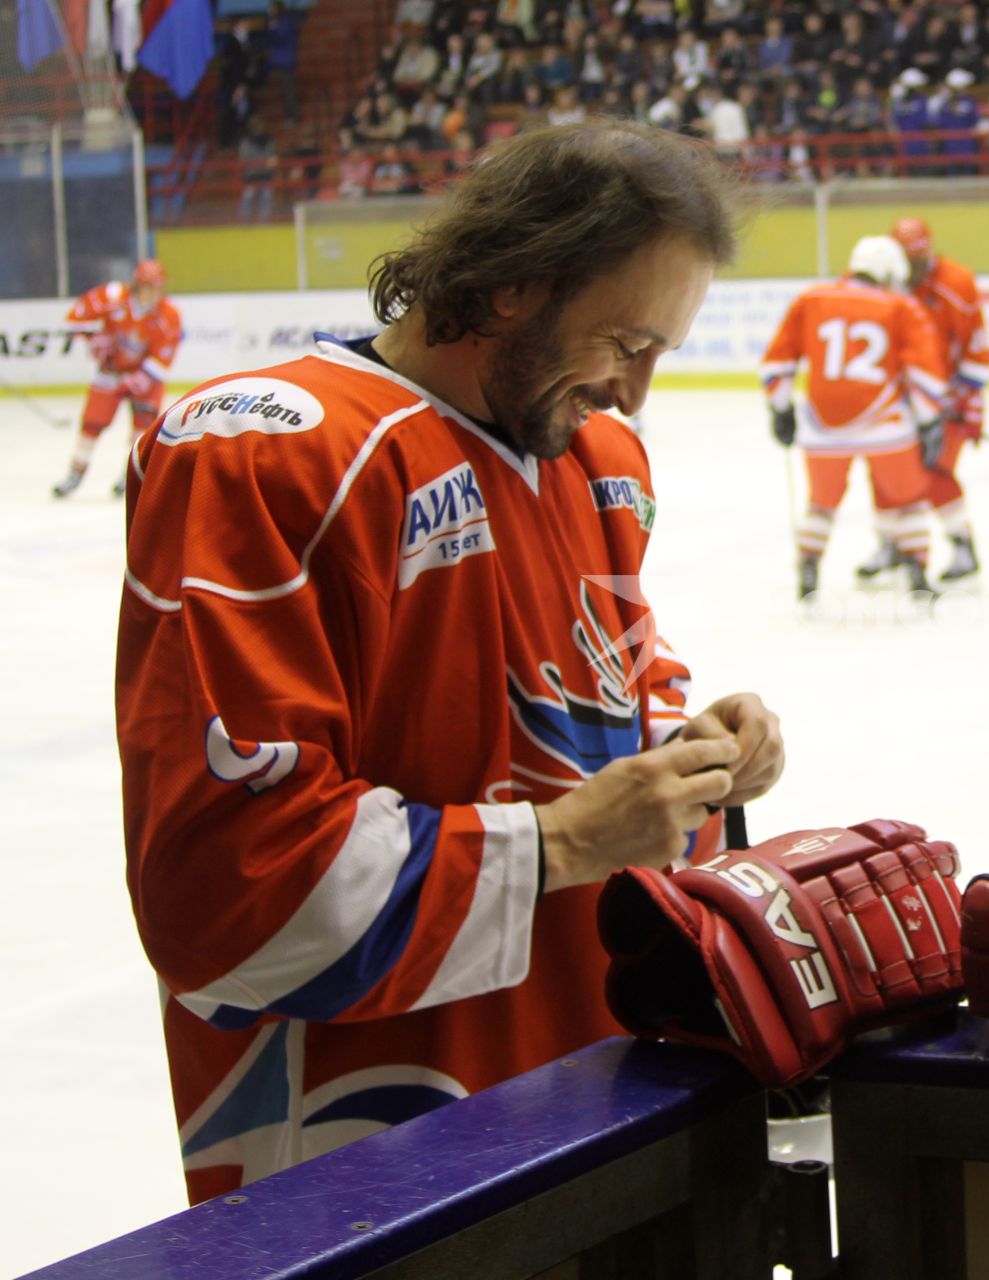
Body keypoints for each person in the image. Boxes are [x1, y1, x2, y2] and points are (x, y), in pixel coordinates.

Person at [117, 122, 785, 1204]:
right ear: (516, 283)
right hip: (376, 1157)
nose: (633, 393)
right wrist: (567, 839)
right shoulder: (263, 453)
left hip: (597, 1098)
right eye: (625, 342)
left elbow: (605, 693)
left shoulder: (600, 459)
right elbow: (226, 899)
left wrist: (689, 753)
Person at [761, 235, 947, 600]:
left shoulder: (811, 299)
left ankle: (809, 569)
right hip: (886, 428)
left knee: (821, 503)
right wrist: (929, 420)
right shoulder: (901, 307)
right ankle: (917, 574)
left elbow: (776, 362)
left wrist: (781, 409)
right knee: (909, 499)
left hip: (821, 428)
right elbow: (926, 376)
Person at [850, 216, 989, 584]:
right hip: (897, 399)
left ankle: (962, 546)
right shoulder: (885, 282)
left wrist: (969, 404)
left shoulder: (956, 284)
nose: (912, 271)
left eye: (918, 262)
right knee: (885, 471)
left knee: (933, 473)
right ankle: (892, 545)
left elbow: (976, 349)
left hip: (946, 400)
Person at [52, 258, 181, 499]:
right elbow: (77, 317)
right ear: (137, 284)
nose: (153, 292)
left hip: (144, 378)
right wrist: (93, 339)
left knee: (142, 429)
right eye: (148, 286)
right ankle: (75, 473)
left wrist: (137, 381)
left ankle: (129, 474)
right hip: (109, 373)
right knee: (92, 422)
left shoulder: (169, 315)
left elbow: (162, 359)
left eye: (157, 286)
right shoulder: (113, 296)